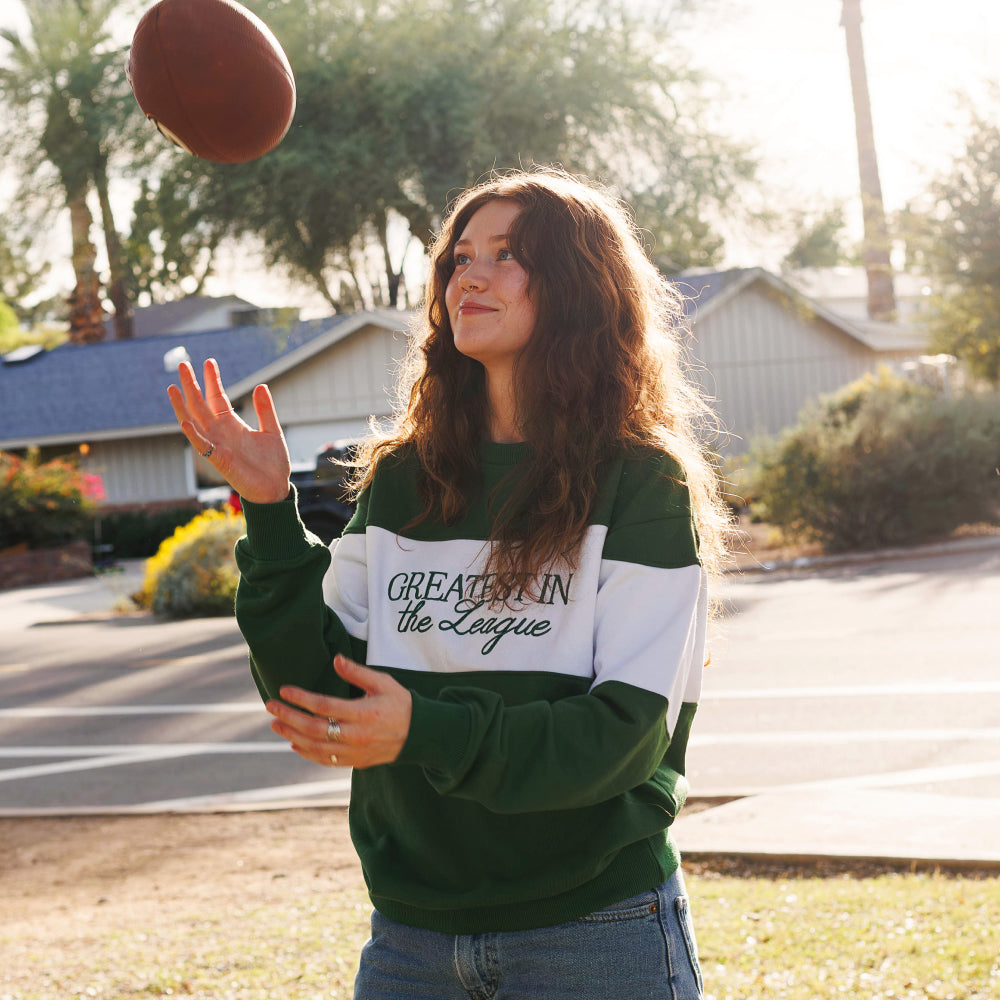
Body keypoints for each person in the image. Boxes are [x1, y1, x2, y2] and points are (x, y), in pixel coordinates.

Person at [167, 168, 728, 999]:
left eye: (509, 255)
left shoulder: (641, 485)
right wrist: (270, 511)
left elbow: (624, 738)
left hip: (596, 927)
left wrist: (424, 731)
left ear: (579, 285)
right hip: (412, 938)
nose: (471, 275)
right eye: (461, 257)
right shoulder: (406, 482)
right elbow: (315, 693)